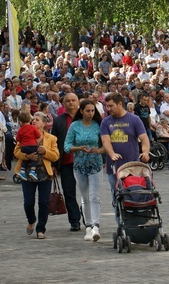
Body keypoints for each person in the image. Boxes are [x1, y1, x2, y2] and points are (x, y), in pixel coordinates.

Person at [99, 93, 150, 221]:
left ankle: (138, 219)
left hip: (133, 166)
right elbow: (106, 141)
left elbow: (144, 138)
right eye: (107, 106)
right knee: (117, 195)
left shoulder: (134, 119)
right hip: (114, 168)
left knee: (136, 193)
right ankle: (121, 223)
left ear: (120, 104)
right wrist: (112, 154)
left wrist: (145, 152)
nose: (108, 109)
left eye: (111, 106)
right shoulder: (106, 122)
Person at [63, 99, 104, 243]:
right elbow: (67, 146)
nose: (91, 113)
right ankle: (87, 226)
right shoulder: (74, 126)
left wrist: (98, 150)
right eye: (88, 110)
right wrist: (78, 148)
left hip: (95, 163)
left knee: (94, 195)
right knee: (85, 196)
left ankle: (96, 226)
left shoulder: (98, 125)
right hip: (79, 164)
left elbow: (106, 144)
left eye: (93, 110)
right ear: (81, 111)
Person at [14, 113, 60, 240]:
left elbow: (56, 156)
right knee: (28, 202)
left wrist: (45, 151)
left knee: (43, 202)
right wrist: (27, 157)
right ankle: (31, 220)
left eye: (37, 120)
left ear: (44, 123)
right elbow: (16, 151)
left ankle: (41, 229)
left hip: (45, 174)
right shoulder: (25, 133)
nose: (34, 121)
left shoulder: (51, 138)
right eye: (33, 119)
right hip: (27, 173)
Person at [50, 93, 82, 232]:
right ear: (63, 104)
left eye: (73, 100)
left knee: (88, 194)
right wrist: (54, 164)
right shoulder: (59, 121)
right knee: (69, 193)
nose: (71, 103)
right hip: (66, 162)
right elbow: (54, 143)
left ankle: (90, 219)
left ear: (78, 102)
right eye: (67, 101)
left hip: (85, 162)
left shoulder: (85, 118)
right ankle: (74, 221)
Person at [15, 111, 42, 182]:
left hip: (23, 147)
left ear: (20, 122)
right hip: (32, 145)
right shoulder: (32, 128)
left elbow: (17, 139)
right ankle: (33, 171)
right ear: (30, 120)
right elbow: (38, 135)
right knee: (34, 157)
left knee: (25, 159)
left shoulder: (20, 130)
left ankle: (22, 171)